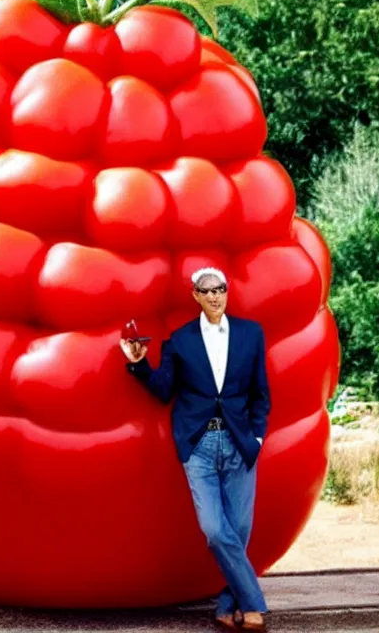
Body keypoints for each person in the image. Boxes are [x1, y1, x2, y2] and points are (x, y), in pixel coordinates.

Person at [119, 267, 270, 631]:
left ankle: (225, 607)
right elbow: (163, 391)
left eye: (221, 289)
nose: (216, 296)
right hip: (199, 443)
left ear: (227, 292)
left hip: (239, 441)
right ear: (196, 297)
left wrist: (258, 437)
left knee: (241, 526)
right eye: (207, 291)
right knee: (215, 530)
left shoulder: (251, 334)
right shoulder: (180, 340)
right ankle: (253, 605)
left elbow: (260, 393)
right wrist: (139, 366)